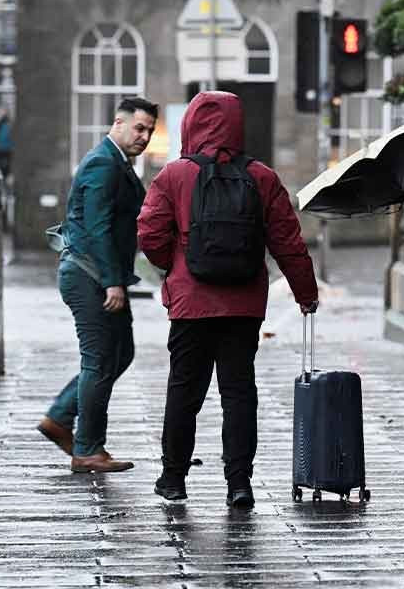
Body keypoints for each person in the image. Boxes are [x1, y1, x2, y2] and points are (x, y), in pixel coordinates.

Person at [137, 91, 318, 509]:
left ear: (191, 124)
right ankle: (239, 483)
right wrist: (305, 293)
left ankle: (174, 479)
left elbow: (149, 233)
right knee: (239, 392)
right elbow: (288, 242)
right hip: (243, 304)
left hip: (190, 303)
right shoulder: (262, 177)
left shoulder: (174, 175)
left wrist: (175, 265)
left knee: (184, 390)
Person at [37, 97, 158, 473]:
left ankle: (60, 418)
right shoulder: (103, 164)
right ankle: (87, 447)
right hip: (89, 275)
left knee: (119, 354)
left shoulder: (118, 164)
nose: (145, 136)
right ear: (118, 124)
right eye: (139, 128)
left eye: (150, 130)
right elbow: (97, 227)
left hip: (100, 274)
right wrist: (112, 283)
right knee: (101, 358)